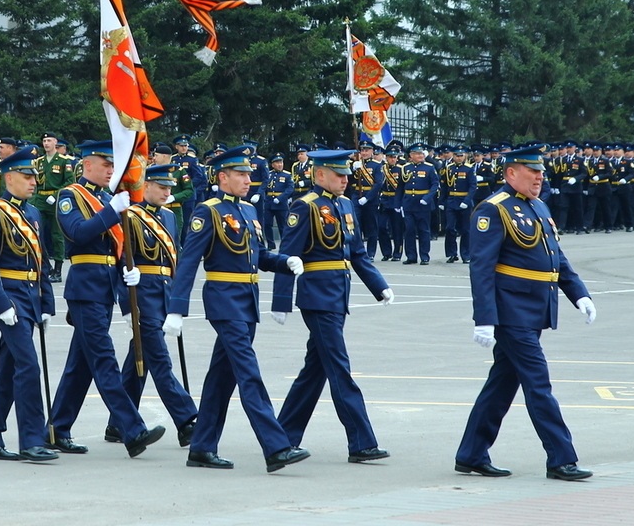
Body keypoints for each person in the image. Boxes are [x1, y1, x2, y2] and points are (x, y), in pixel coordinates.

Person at [164, 146, 310, 473]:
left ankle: (201, 448)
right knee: (249, 373)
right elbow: (188, 262)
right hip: (224, 299)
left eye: (248, 174)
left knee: (221, 378)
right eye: (241, 174)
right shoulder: (208, 211)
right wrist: (177, 309)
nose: (249, 179)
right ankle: (276, 446)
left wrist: (283, 261)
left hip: (247, 299)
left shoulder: (247, 211)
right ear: (222, 177)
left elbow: (257, 254)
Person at [454, 146, 596, 482]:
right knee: (538, 382)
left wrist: (579, 294)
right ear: (510, 174)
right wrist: (484, 317)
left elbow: (555, 257)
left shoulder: (539, 205)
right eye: (531, 171)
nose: (539, 177)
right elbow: (482, 269)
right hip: (511, 312)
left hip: (535, 308)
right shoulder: (493, 210)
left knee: (501, 385)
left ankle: (471, 453)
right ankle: (561, 458)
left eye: (541, 172)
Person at [45, 140, 166, 458]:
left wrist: (128, 279)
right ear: (87, 165)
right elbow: (78, 233)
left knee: (81, 365)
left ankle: (57, 429)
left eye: (114, 165)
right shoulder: (71, 195)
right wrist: (112, 212)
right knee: (104, 361)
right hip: (85, 288)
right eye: (105, 164)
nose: (112, 170)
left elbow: (117, 248)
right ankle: (132, 429)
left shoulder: (106, 198)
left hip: (104, 288)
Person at [271, 149, 393, 462]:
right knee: (339, 367)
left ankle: (281, 436)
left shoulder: (346, 204)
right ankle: (361, 441)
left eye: (346, 174)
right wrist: (281, 301)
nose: (345, 180)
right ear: (320, 174)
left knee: (315, 370)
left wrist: (379, 286)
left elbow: (357, 253)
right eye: (339, 175)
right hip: (317, 297)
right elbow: (288, 254)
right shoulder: (306, 206)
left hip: (338, 295)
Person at [0, 146, 59, 462]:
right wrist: (0, 302)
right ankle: (32, 440)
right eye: (27, 176)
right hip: (10, 299)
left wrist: (47, 303)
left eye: (34, 176)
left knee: (8, 368)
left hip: (30, 298)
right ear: (10, 178)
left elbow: (41, 261)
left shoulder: (32, 213)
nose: (33, 181)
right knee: (28, 366)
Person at [104, 163, 198, 449]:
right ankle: (187, 420)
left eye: (169, 188)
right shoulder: (129, 216)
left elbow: (175, 259)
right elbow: (121, 262)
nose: (167, 192)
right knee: (159, 359)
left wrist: (177, 304)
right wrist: (126, 306)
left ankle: (117, 424)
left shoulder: (169, 217)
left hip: (164, 293)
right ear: (145, 187)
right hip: (141, 296)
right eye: (161, 187)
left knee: (139, 359)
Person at [35, 133, 76, 283]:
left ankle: (58, 268)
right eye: (44, 140)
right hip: (40, 199)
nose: (46, 143)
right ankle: (43, 265)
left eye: (49, 141)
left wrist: (58, 195)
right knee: (37, 233)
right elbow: (34, 182)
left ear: (55, 143)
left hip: (55, 200)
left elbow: (70, 182)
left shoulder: (64, 161)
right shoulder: (39, 162)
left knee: (56, 235)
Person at [395, 144, 438, 265]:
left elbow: (435, 185)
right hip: (408, 203)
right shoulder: (405, 168)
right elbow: (400, 187)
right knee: (409, 230)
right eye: (417, 154)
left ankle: (424, 256)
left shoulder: (429, 167)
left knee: (424, 230)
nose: (420, 156)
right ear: (411, 155)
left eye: (421, 154)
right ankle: (411, 256)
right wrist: (398, 204)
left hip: (423, 204)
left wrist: (427, 198)